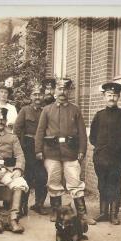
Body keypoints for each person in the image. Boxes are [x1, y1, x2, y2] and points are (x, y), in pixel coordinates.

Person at [35, 78, 96, 225]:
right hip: (51, 152)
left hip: (71, 152)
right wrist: (38, 150)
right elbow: (40, 131)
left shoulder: (75, 110)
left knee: (75, 182)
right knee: (54, 182)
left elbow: (82, 132)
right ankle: (56, 212)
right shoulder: (47, 110)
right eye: (59, 89)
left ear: (69, 91)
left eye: (65, 89)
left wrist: (82, 150)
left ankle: (82, 214)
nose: (62, 92)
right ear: (55, 91)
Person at [89, 82, 121, 225]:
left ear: (119, 97)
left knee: (115, 185)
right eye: (109, 95)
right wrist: (101, 149)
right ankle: (103, 213)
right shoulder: (99, 116)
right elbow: (92, 137)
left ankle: (114, 215)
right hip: (101, 159)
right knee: (102, 184)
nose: (112, 98)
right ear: (104, 96)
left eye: (115, 95)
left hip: (118, 159)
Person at [13, 83, 48, 216]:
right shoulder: (24, 110)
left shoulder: (46, 110)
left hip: (42, 147)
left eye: (39, 94)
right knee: (26, 176)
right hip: (27, 146)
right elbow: (16, 130)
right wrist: (18, 149)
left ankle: (39, 204)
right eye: (35, 94)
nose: (37, 97)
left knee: (42, 176)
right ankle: (22, 206)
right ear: (30, 96)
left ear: (42, 96)